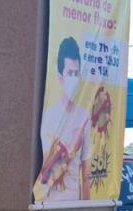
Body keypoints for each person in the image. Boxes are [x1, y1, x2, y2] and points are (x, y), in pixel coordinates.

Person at [39, 36, 91, 202]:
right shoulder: (48, 116)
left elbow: (86, 172)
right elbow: (46, 172)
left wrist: (87, 210)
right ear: (60, 76)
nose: (73, 78)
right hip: (46, 204)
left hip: (73, 204)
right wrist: (72, 146)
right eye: (70, 73)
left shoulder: (84, 117)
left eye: (76, 73)